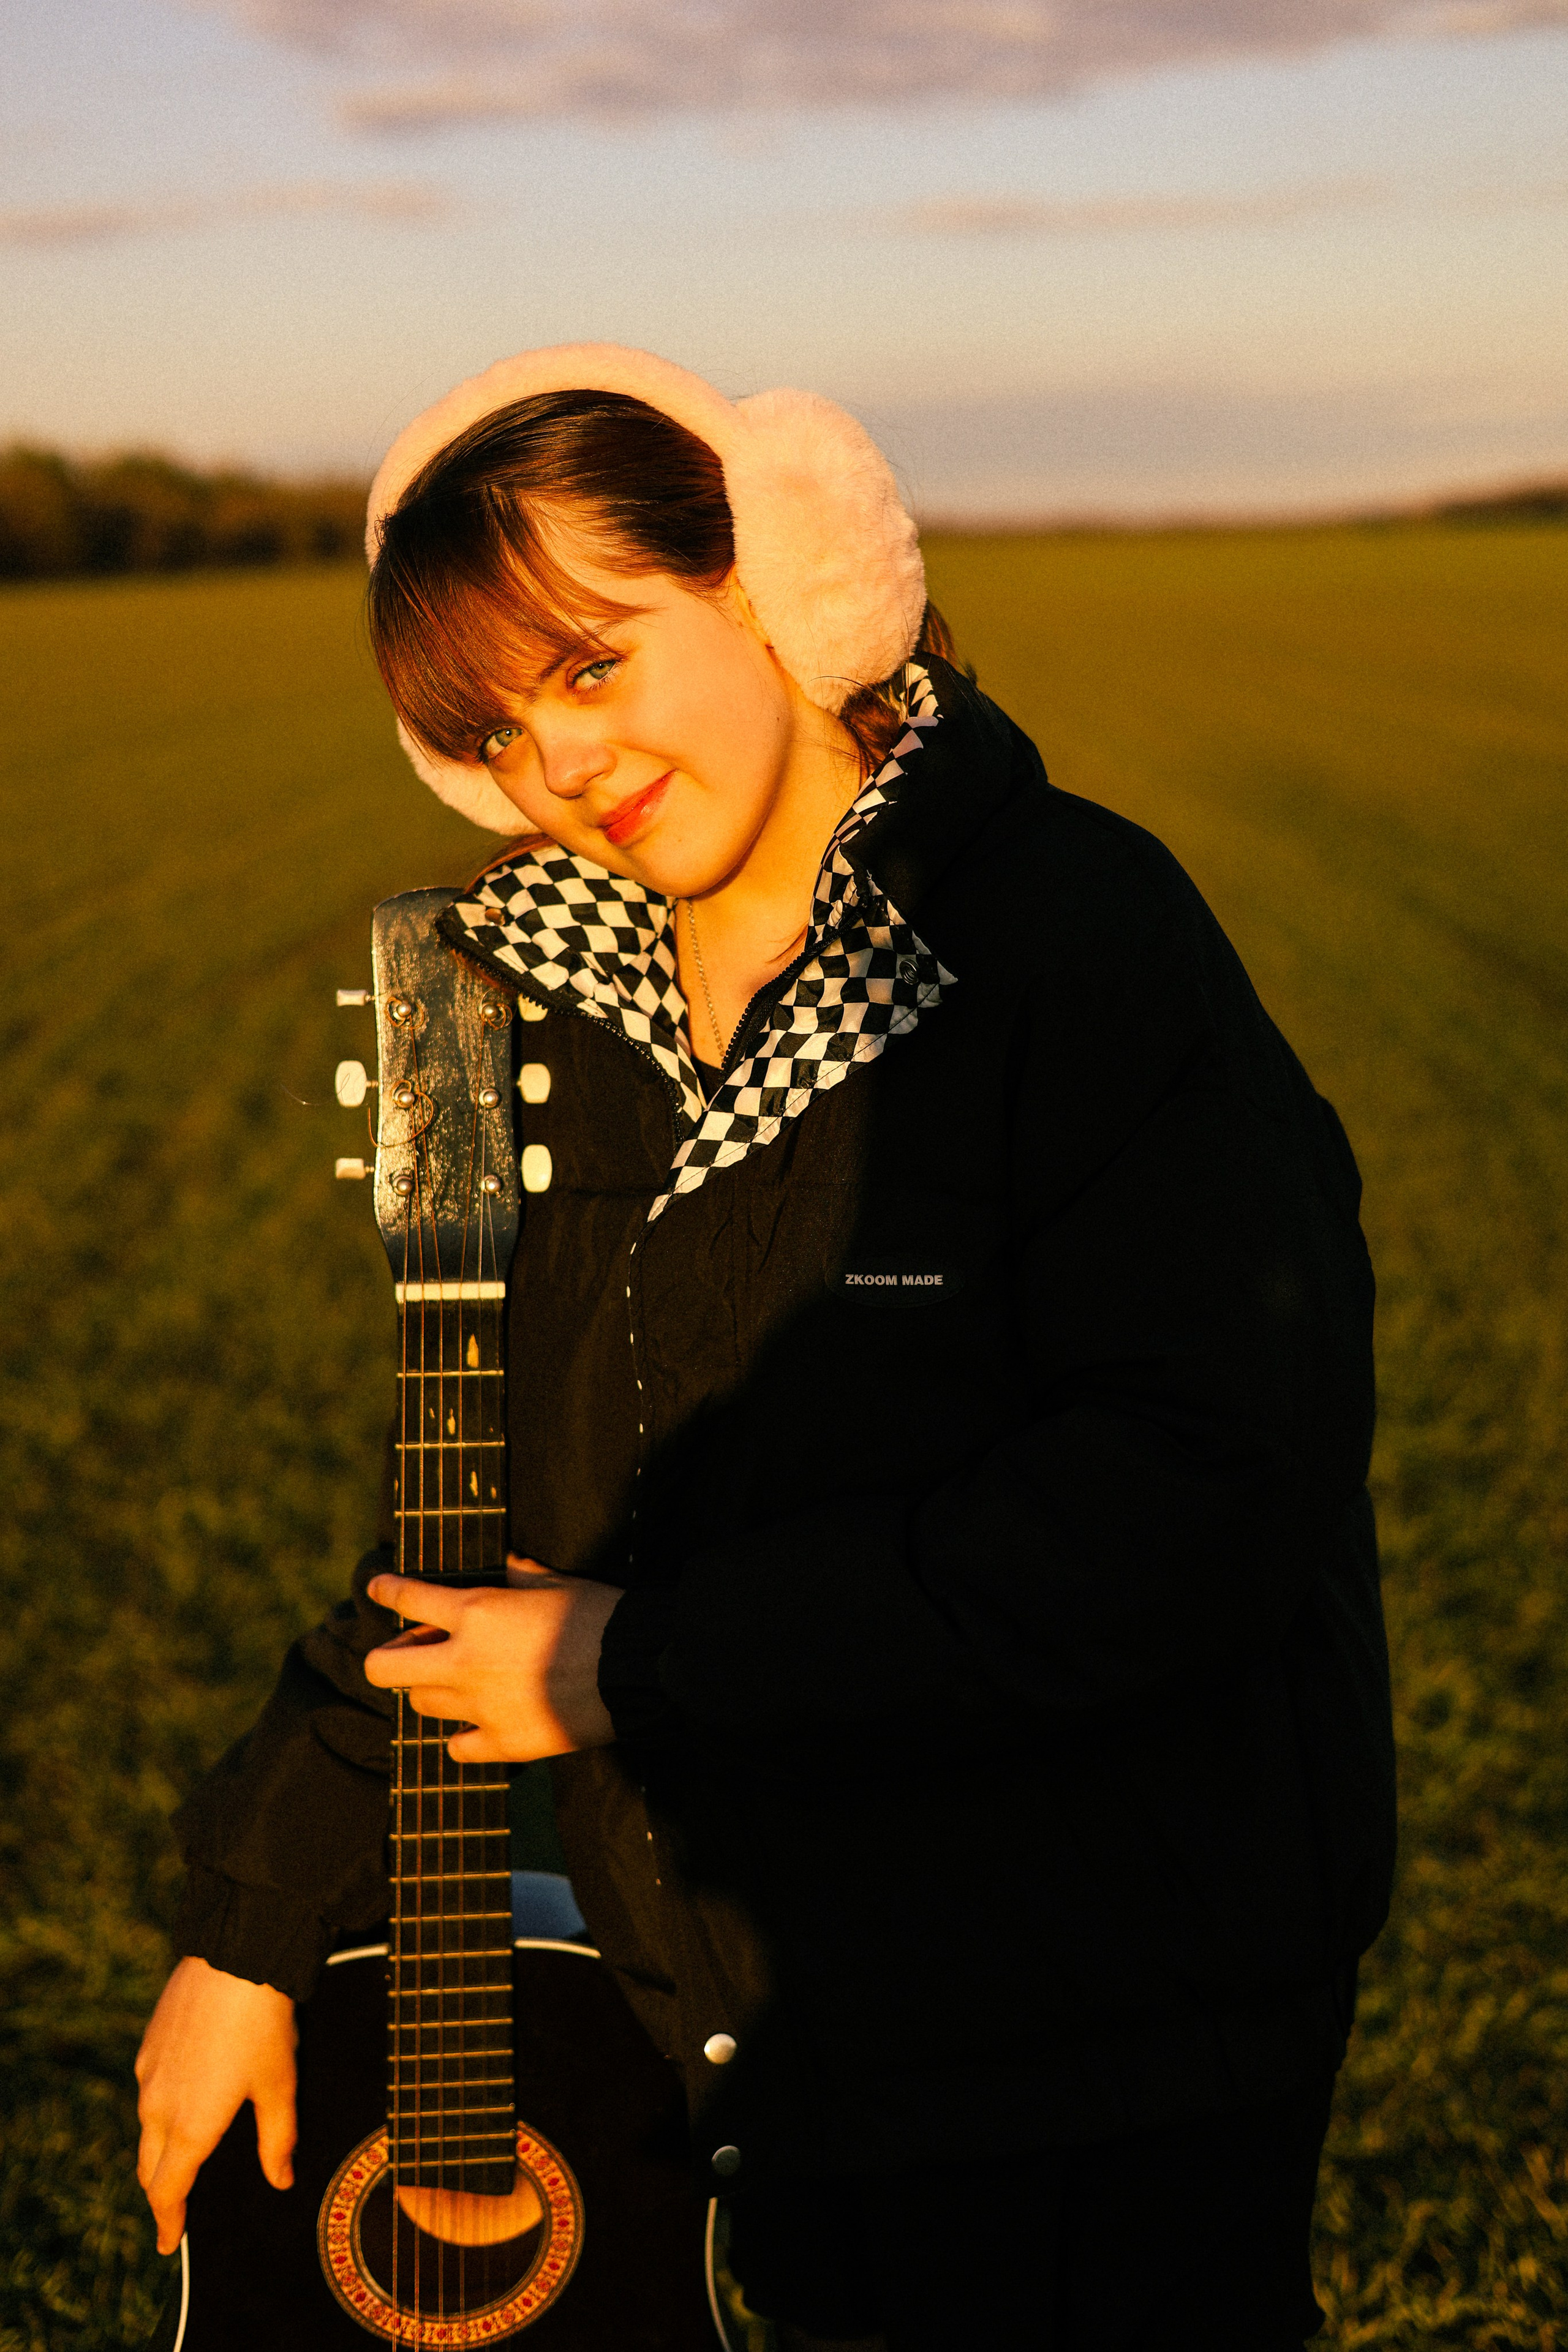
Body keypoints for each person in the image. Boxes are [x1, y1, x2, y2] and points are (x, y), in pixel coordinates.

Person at [135, 344, 1396, 2350]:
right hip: (750, 2031)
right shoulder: (501, 998)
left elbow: (1202, 1488)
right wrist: (253, 1930)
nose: (558, 765)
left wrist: (648, 1660)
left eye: (592, 664)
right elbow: (464, 1530)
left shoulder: (1077, 938)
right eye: (491, 723)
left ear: (775, 579)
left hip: (1114, 2012)